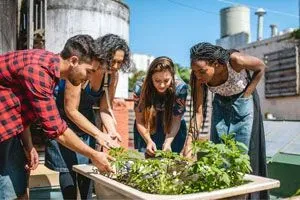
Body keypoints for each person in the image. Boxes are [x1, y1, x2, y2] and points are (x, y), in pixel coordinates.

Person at [0, 34, 114, 200]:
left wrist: (28, 144)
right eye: (89, 71)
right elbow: (57, 130)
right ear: (74, 61)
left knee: (19, 190)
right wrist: (94, 155)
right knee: (9, 193)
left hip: (10, 132)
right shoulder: (38, 71)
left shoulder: (48, 67)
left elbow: (18, 108)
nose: (89, 77)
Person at [45, 33, 130, 200]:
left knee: (87, 169)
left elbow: (105, 108)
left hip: (87, 123)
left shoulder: (112, 76)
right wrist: (99, 134)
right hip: (64, 122)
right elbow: (71, 110)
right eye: (111, 60)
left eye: (120, 62)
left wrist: (111, 131)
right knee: (67, 169)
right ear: (102, 55)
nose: (115, 66)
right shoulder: (82, 70)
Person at [182, 42, 267, 199]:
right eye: (195, 72)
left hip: (244, 103)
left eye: (202, 71)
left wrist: (247, 94)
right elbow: (199, 113)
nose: (198, 76)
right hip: (220, 105)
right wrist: (189, 143)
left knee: (244, 154)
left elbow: (261, 66)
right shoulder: (198, 78)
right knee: (220, 153)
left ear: (215, 64)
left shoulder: (235, 61)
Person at [133, 56, 188, 157]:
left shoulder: (180, 88)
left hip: (173, 126)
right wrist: (148, 141)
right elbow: (140, 120)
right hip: (148, 124)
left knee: (171, 163)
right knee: (150, 162)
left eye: (166, 80)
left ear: (172, 76)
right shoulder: (140, 87)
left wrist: (168, 142)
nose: (162, 85)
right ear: (150, 78)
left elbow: (176, 119)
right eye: (157, 81)